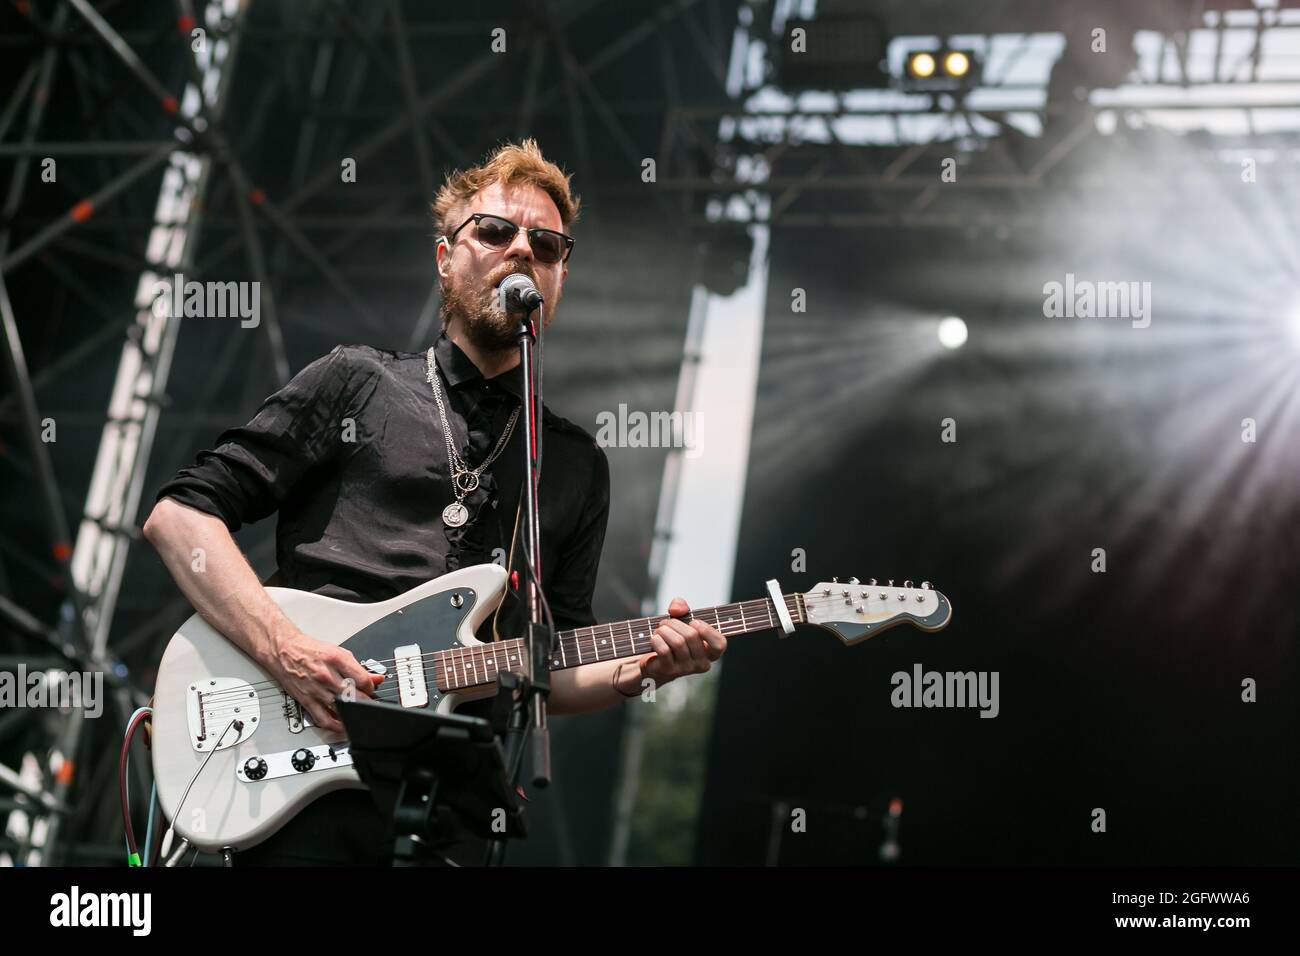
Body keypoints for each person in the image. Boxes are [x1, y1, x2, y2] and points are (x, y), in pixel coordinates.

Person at [142, 138, 727, 865]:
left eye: (546, 245)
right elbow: (179, 517)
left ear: (559, 277)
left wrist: (645, 667)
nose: (522, 251)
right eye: (495, 231)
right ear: (446, 257)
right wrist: (284, 649)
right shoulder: (357, 384)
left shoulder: (574, 463)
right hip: (298, 783)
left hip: (446, 811)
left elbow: (556, 659)